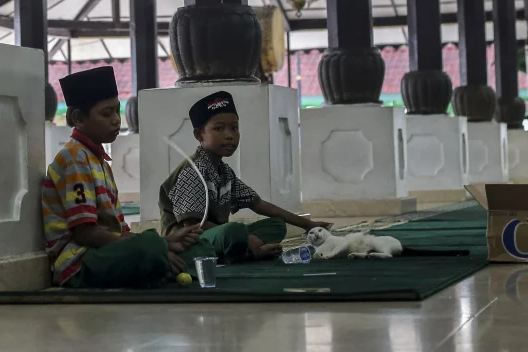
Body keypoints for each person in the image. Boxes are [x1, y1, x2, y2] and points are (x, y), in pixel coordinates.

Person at [42, 66, 201, 288]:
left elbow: (120, 233)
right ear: (78, 119)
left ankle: (158, 265)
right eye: (106, 114)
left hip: (107, 253)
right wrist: (155, 246)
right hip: (80, 263)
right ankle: (157, 265)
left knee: (196, 248)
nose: (116, 120)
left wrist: (164, 242)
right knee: (151, 248)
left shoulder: (99, 161)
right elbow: (86, 234)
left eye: (117, 111)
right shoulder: (74, 158)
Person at [159, 91, 331, 264]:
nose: (229, 135)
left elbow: (258, 204)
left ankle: (241, 251)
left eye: (234, 128)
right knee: (234, 231)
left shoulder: (224, 172)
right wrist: (244, 238)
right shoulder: (192, 171)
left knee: (276, 225)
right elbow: (192, 225)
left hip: (220, 237)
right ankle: (249, 252)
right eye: (219, 129)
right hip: (188, 245)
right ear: (199, 135)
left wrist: (307, 224)